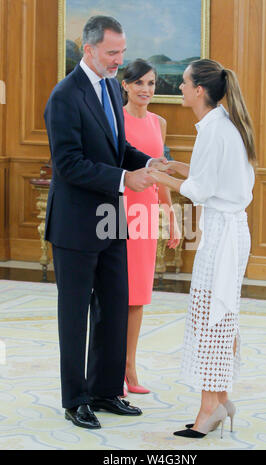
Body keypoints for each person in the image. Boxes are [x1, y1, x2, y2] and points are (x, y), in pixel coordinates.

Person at [44, 15, 169, 430]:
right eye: (112, 52)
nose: (120, 60)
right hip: (76, 223)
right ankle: (75, 398)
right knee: (75, 314)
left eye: (122, 51)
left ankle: (104, 391)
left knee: (114, 306)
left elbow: (119, 147)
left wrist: (148, 162)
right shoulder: (64, 96)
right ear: (90, 49)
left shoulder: (111, 89)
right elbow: (69, 164)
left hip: (111, 218)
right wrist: (122, 178)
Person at [150, 59, 256, 439]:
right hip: (226, 231)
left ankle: (209, 407)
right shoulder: (221, 125)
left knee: (212, 317)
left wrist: (154, 176)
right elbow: (206, 175)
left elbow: (200, 190)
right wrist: (173, 166)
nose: (179, 87)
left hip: (223, 235)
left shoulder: (215, 130)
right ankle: (220, 399)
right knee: (217, 315)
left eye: (183, 83)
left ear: (199, 91)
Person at [121, 59, 181, 395]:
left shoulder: (160, 122)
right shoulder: (116, 119)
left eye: (151, 83)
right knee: (117, 291)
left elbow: (160, 177)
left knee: (138, 295)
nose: (146, 89)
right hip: (116, 212)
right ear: (125, 85)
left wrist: (171, 217)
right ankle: (111, 367)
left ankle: (130, 366)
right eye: (139, 83)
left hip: (146, 216)